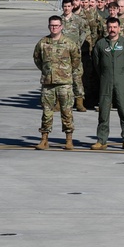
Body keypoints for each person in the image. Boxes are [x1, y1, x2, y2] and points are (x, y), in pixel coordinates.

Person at [33, 15, 83, 150]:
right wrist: (47, 71)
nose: (54, 28)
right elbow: (37, 59)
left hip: (64, 83)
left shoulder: (69, 43)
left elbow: (76, 60)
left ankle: (69, 139)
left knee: (67, 111)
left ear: (61, 26)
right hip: (48, 83)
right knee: (46, 111)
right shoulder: (43, 42)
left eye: (56, 25)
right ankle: (44, 139)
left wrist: (65, 72)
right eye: (51, 25)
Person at [90, 17, 124, 150]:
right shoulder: (100, 44)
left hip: (121, 81)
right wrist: (105, 75)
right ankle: (101, 140)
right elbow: (97, 63)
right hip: (106, 81)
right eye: (110, 27)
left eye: (115, 27)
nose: (112, 30)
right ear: (107, 28)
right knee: (104, 111)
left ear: (119, 28)